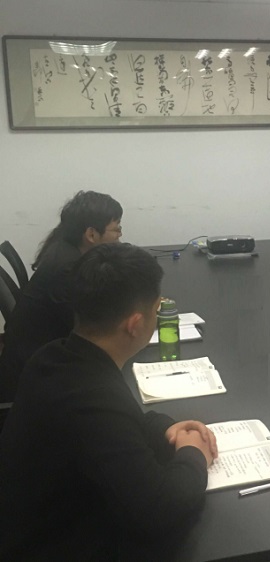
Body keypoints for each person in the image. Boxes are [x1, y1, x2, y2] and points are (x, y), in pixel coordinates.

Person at [0, 243, 217, 560]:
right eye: (156, 310)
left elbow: (120, 424)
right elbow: (159, 509)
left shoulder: (55, 357)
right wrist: (194, 454)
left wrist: (165, 428)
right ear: (134, 324)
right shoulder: (92, 398)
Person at [0, 190, 123, 401]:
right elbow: (89, 330)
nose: (120, 236)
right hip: (37, 378)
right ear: (91, 235)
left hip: (39, 355)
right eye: (117, 229)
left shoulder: (66, 248)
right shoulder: (66, 270)